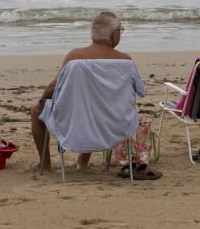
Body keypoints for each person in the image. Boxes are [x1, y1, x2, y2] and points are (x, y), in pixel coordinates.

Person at [31, 11, 132, 172]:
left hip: (80, 120)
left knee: (37, 112)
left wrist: (42, 100)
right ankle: (82, 162)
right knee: (95, 106)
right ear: (113, 35)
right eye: (120, 30)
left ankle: (45, 164)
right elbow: (132, 92)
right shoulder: (125, 61)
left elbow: (54, 87)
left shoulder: (76, 56)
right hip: (113, 120)